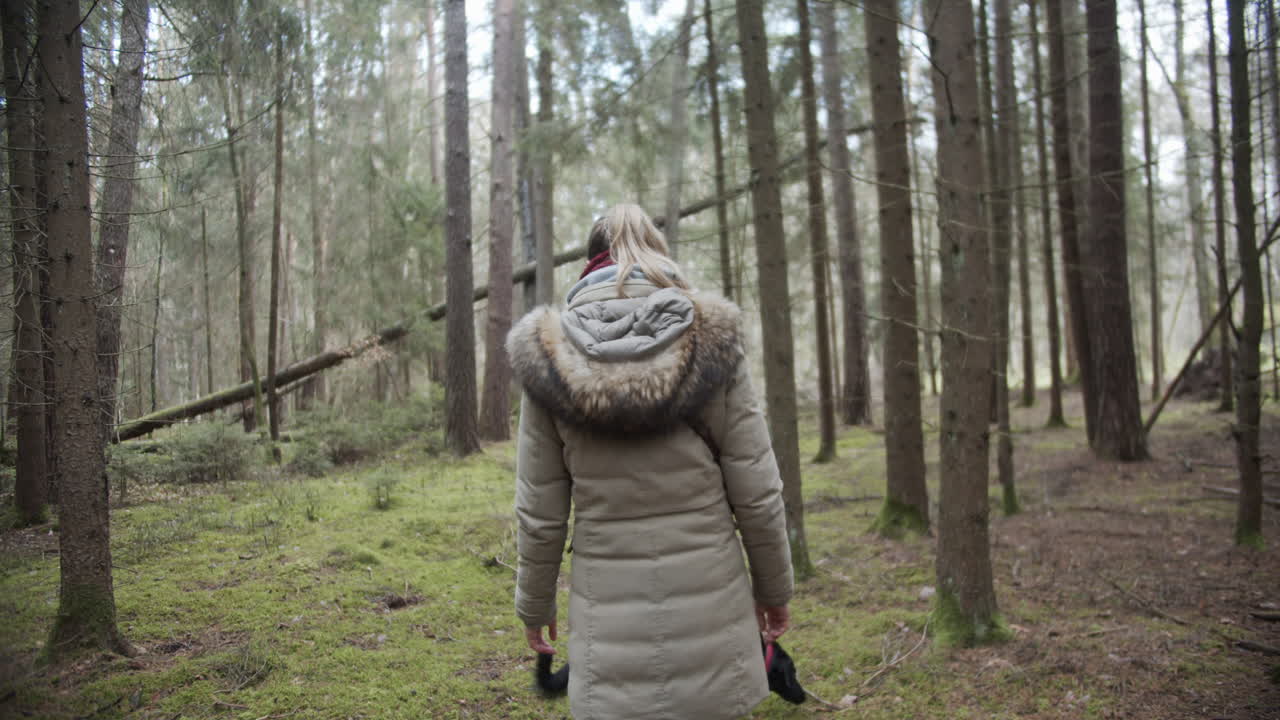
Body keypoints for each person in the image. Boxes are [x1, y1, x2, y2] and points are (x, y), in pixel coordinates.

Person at [506, 203, 795, 719]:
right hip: (711, 599)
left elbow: (540, 512)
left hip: (608, 609)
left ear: (589, 262)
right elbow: (758, 489)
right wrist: (774, 589)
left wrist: (535, 606)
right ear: (659, 254)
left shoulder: (547, 358)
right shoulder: (713, 342)